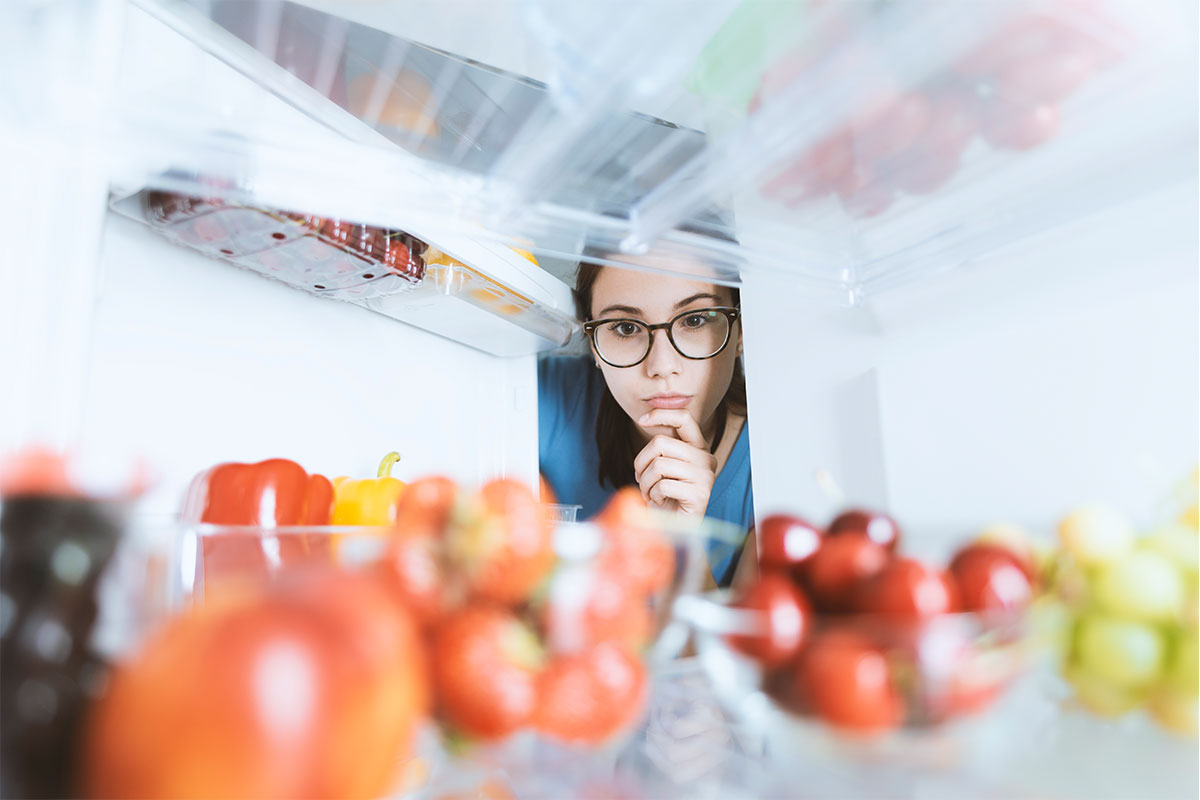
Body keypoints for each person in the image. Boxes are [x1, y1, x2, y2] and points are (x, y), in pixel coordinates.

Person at [538, 250, 754, 587]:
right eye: (625, 327)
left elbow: (729, 642)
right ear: (593, 345)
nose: (661, 365)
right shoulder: (542, 393)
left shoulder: (773, 466)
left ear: (740, 331)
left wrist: (679, 537)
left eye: (695, 320)